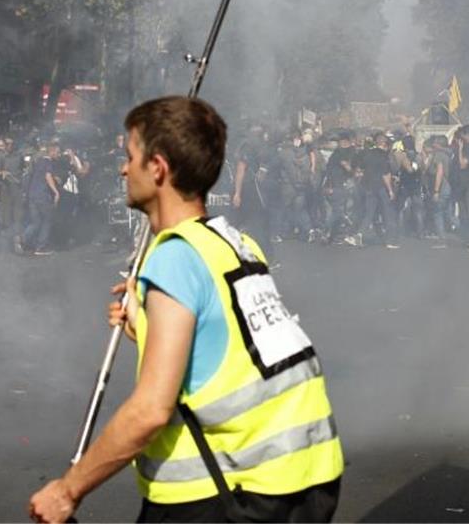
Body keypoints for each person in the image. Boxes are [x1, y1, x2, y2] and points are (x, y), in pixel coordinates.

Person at [28, 96, 343, 524]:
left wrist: (68, 490)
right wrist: (146, 322)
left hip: (229, 493)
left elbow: (151, 410)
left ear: (157, 167)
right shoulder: (235, 243)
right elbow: (225, 349)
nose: (123, 169)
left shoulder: (175, 258)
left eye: (130, 157)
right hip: (304, 478)